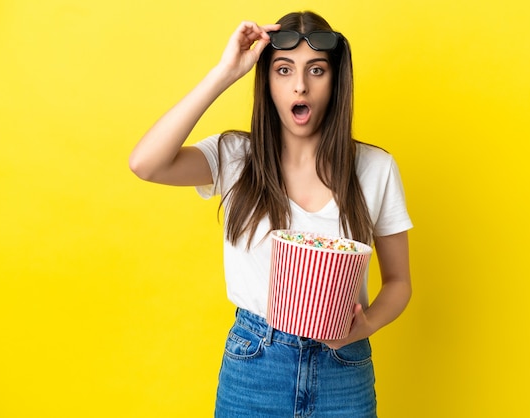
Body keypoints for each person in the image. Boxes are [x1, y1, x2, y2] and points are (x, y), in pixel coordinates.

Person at [129, 10, 412, 418]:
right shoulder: (234, 156)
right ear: (267, 80)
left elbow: (399, 282)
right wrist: (226, 72)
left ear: (335, 80)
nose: (300, 85)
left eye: (316, 70)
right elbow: (146, 164)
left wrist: (364, 327)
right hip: (255, 363)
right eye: (283, 70)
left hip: (344, 369)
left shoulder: (375, 168)